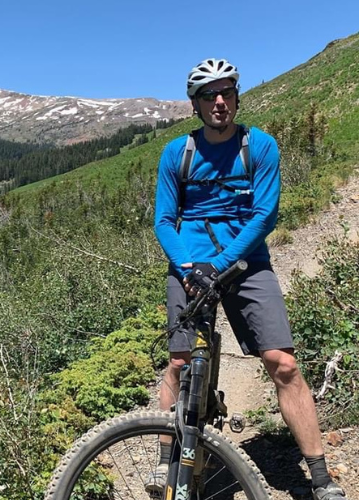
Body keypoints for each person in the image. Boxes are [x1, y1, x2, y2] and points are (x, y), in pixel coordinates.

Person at [148, 58, 347, 500]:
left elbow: (265, 216)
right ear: (195, 104)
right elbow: (164, 220)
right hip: (190, 268)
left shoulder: (259, 146)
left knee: (284, 364)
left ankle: (320, 477)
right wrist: (189, 268)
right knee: (181, 364)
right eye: (208, 95)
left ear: (236, 96)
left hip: (245, 264)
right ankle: (164, 466)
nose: (219, 101)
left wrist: (218, 265)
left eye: (226, 92)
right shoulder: (176, 153)